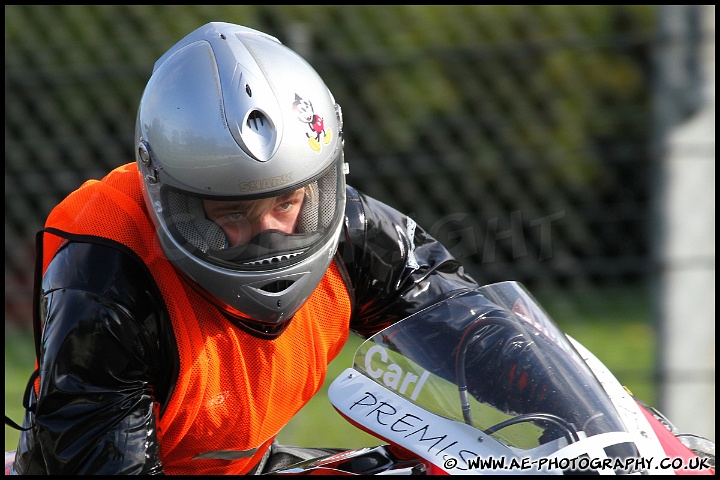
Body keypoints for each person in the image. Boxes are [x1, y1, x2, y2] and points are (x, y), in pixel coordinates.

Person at [8, 21, 487, 475]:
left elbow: (476, 333)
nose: (271, 235)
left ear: (321, 184)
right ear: (170, 198)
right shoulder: (109, 274)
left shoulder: (352, 232)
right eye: (233, 212)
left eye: (287, 201)